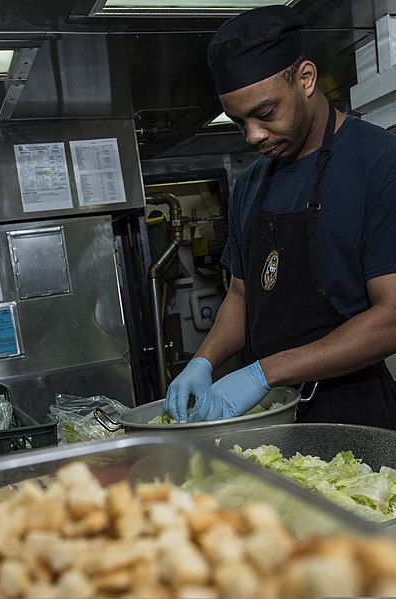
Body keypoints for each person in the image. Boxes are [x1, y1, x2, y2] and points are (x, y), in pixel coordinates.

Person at [163, 4, 396, 428]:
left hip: (356, 416)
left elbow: (391, 318)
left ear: (306, 79)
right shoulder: (251, 183)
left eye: (265, 113)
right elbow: (240, 295)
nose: (253, 135)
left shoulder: (378, 163)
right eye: (239, 121)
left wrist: (262, 372)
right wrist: (203, 361)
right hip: (269, 419)